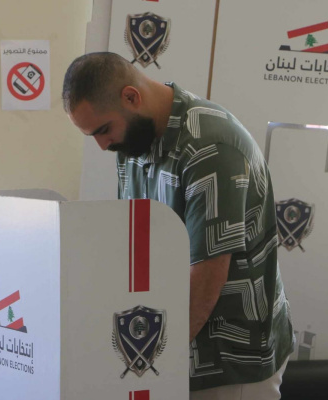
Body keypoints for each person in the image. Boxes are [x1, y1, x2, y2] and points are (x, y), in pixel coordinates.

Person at [62, 52, 295, 400]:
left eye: (104, 129)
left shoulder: (210, 148)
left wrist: (144, 360)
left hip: (230, 365)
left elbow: (206, 281)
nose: (102, 145)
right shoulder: (133, 142)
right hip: (173, 353)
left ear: (131, 97)